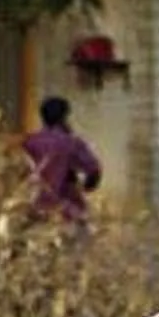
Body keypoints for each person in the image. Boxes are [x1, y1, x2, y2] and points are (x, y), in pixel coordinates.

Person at [20, 95, 102, 225]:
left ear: (43, 118)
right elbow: (94, 171)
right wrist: (85, 187)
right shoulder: (72, 142)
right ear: (64, 117)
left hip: (34, 208)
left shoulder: (29, 142)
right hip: (66, 210)